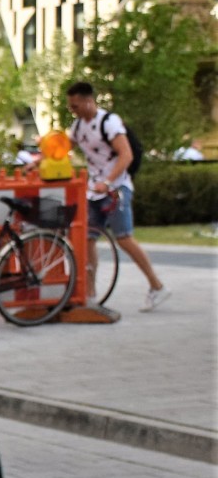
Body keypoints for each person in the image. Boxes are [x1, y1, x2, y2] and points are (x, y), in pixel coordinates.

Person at [65, 81, 169, 311]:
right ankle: (89, 293)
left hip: (117, 188)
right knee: (88, 238)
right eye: (70, 107)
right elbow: (62, 148)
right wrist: (37, 161)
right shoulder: (78, 127)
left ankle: (156, 285)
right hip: (94, 191)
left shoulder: (109, 122)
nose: (73, 110)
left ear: (88, 101)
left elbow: (126, 155)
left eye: (75, 106)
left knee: (123, 237)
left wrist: (109, 181)